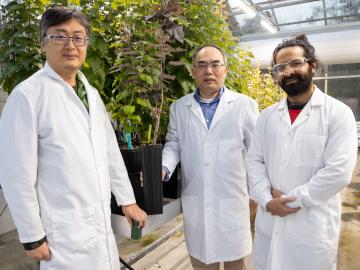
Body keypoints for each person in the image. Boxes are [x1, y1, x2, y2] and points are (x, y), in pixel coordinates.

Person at [0, 7, 147, 270]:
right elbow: (15, 174)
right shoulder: (27, 96)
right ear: (43, 43)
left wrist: (128, 200)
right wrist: (32, 236)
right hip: (62, 235)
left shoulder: (90, 93)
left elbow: (110, 152)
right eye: (60, 36)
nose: (71, 45)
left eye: (78, 38)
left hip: (99, 228)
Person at [246, 34, 358, 270]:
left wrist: (288, 200)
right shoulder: (266, 117)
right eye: (280, 68)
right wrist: (267, 201)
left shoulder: (338, 113)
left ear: (312, 65)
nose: (288, 72)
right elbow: (254, 161)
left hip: (311, 227)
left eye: (295, 63)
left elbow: (338, 172)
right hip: (270, 222)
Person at [162, 44, 258, 270]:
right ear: (193, 71)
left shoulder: (244, 105)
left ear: (225, 70)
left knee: (236, 263)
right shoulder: (179, 107)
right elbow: (173, 144)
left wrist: (256, 190)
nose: (209, 71)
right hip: (197, 198)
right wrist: (164, 167)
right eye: (202, 65)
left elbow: (256, 151)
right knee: (202, 262)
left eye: (216, 65)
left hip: (232, 199)